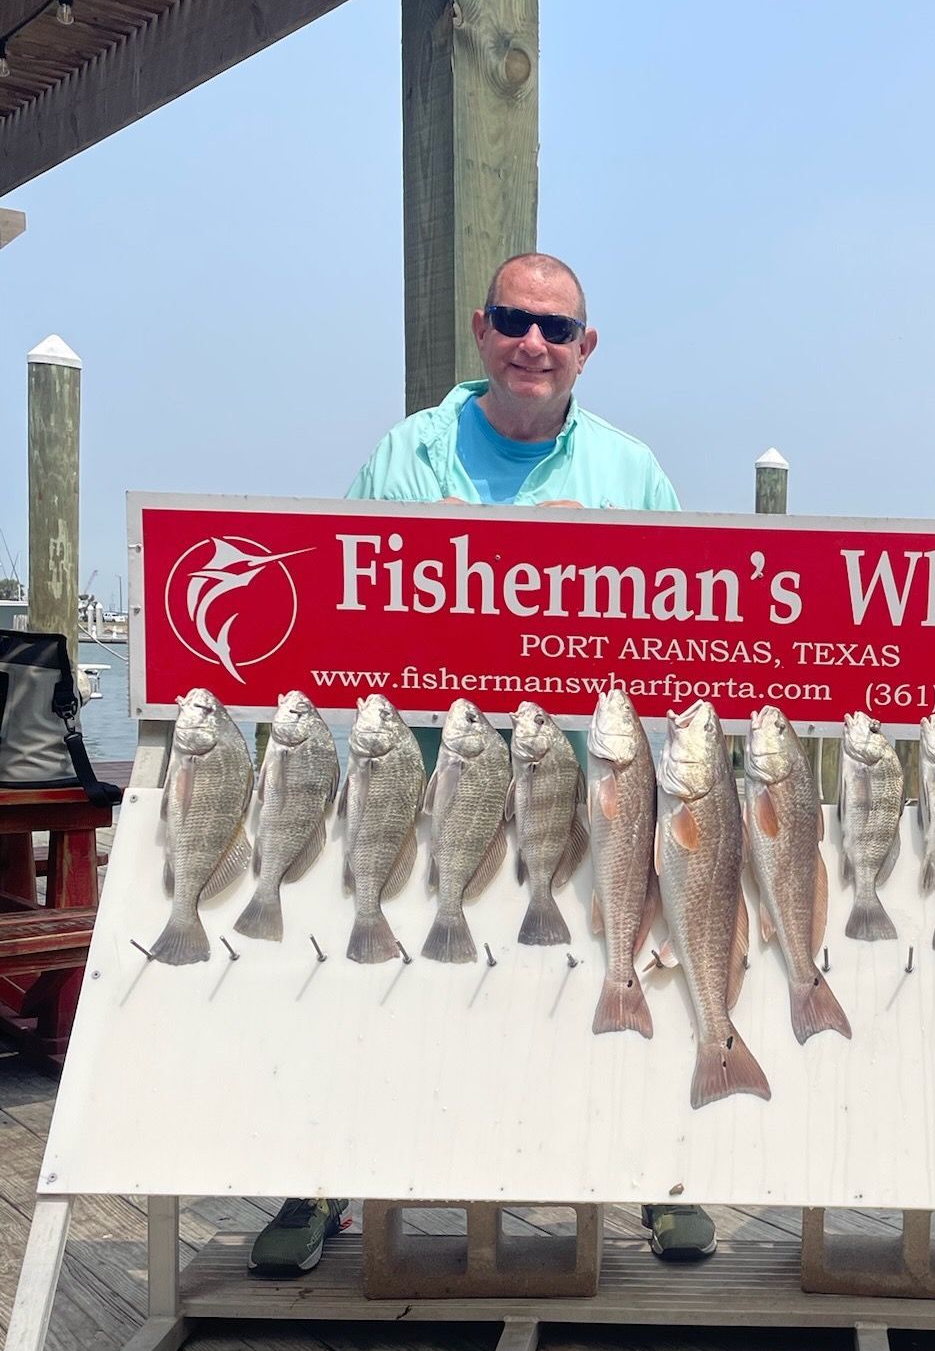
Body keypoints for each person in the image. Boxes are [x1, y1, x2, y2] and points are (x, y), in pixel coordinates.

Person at [248, 252, 718, 1274]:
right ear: (481, 328)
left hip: (588, 786)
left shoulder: (633, 473)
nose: (533, 343)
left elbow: (686, 629)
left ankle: (655, 1176)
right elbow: (336, 595)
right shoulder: (408, 453)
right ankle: (323, 1174)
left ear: (587, 348)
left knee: (633, 959)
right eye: (514, 319)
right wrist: (499, 542)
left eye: (556, 328)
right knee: (371, 979)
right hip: (432, 781)